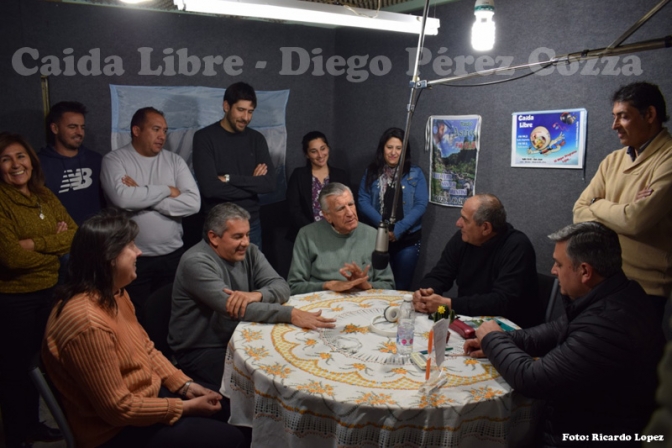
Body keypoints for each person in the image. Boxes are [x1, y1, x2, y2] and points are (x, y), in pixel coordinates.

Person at [42, 209, 245, 448]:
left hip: (147, 397)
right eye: (130, 246)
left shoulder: (114, 292)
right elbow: (117, 409)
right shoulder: (86, 323)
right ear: (109, 258)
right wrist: (183, 407)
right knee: (232, 439)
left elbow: (146, 348)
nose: (139, 252)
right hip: (114, 432)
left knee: (240, 408)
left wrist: (184, 384)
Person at [464, 222, 665, 447]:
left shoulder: (607, 327)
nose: (553, 270)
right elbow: (554, 330)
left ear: (585, 271)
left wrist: (493, 338)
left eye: (559, 264)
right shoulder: (616, 293)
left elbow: (532, 379)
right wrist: (503, 342)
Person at [168, 202, 335, 386]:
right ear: (214, 237)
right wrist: (290, 314)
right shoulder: (196, 262)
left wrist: (257, 295)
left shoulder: (250, 252)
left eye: (247, 234)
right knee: (262, 385)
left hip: (238, 336)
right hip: (201, 349)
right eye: (238, 236)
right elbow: (233, 309)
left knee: (296, 366)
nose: (246, 242)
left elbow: (281, 286)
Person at [573, 82, 671, 328]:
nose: (614, 126)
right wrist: (621, 209)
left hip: (644, 289)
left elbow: (636, 221)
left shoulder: (667, 158)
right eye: (614, 117)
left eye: (623, 117)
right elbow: (578, 213)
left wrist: (597, 203)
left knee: (630, 364)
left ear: (650, 115)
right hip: (603, 280)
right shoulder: (612, 161)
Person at [0, 132, 76, 447]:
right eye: (5, 159)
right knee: (16, 371)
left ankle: (35, 425)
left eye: (20, 156)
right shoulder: (2, 201)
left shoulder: (44, 195)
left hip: (50, 292)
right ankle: (17, 436)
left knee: (44, 365)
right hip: (14, 299)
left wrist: (34, 244)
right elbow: (10, 257)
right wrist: (52, 251)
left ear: (31, 160)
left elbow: (73, 232)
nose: (16, 164)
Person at [101, 107, 200, 320]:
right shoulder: (115, 160)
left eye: (164, 130)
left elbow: (193, 204)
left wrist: (144, 195)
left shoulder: (174, 161)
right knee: (135, 317)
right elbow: (123, 199)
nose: (162, 136)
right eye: (156, 129)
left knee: (172, 316)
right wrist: (166, 190)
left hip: (173, 255)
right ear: (136, 130)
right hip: (134, 258)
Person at [413, 194, 540, 328]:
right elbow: (440, 274)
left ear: (485, 228)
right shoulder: (463, 238)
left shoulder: (517, 247)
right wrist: (424, 294)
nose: (458, 223)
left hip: (509, 328)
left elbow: (501, 302)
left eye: (465, 219)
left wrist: (449, 304)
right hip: (468, 319)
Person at [192, 82, 276, 249]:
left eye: (250, 111)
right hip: (218, 228)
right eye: (241, 110)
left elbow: (270, 183)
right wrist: (252, 183)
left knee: (250, 275)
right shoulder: (204, 138)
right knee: (216, 275)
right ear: (226, 106)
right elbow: (210, 188)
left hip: (251, 226)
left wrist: (230, 178)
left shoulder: (256, 139)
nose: (246, 117)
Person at [288, 182, 395, 295]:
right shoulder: (307, 235)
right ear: (327, 216)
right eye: (341, 209)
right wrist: (328, 285)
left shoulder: (373, 235)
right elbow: (294, 286)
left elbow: (389, 285)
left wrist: (367, 285)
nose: (350, 213)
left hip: (362, 301)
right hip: (323, 302)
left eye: (351, 204)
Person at [358, 127, 428, 291]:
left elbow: (421, 204)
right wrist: (383, 227)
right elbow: (362, 200)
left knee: (401, 287)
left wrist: (398, 230)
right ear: (382, 148)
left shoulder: (415, 173)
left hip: (407, 241)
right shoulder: (371, 172)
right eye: (389, 147)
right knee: (377, 286)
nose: (393, 152)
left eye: (398, 148)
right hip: (376, 238)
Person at [39, 101, 103, 226]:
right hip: (62, 239)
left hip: (96, 236)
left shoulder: (95, 159)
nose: (79, 132)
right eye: (72, 127)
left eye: (82, 127)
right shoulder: (39, 163)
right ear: (55, 128)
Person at [286, 131, 349, 241]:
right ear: (307, 154)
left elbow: (348, 206)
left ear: (328, 148)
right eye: (314, 151)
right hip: (307, 234)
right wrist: (313, 231)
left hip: (337, 233)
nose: (320, 155)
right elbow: (294, 210)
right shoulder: (298, 175)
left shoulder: (340, 175)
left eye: (323, 148)